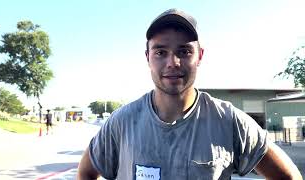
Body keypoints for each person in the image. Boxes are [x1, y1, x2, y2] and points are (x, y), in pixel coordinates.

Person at [77, 9, 302, 179]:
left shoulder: (229, 121)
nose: (172, 63)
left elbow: (288, 176)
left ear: (200, 56)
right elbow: (86, 171)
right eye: (160, 52)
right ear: (147, 57)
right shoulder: (122, 122)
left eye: (184, 51)